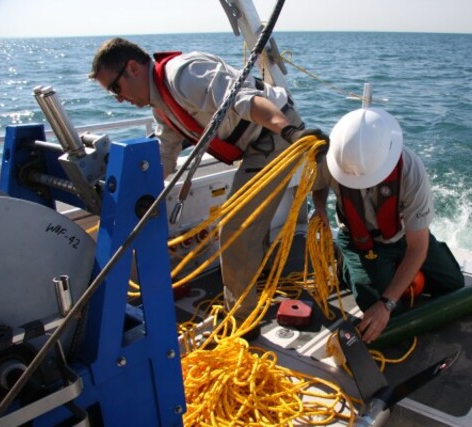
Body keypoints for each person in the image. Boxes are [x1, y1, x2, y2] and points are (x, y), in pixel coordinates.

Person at [89, 37, 324, 337]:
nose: (118, 99)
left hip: (273, 132)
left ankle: (242, 321)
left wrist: (291, 131)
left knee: (236, 227)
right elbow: (166, 155)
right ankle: (251, 289)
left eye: (115, 88)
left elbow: (245, 99)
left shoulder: (184, 74)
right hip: (255, 143)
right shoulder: (161, 107)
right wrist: (132, 194)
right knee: (248, 222)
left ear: (132, 68)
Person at [312, 107, 464, 344]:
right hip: (358, 241)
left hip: (402, 238)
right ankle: (345, 263)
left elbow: (417, 247)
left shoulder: (411, 171)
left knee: (453, 284)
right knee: (376, 304)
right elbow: (318, 184)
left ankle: (395, 273)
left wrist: (387, 303)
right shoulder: (332, 159)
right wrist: (319, 207)